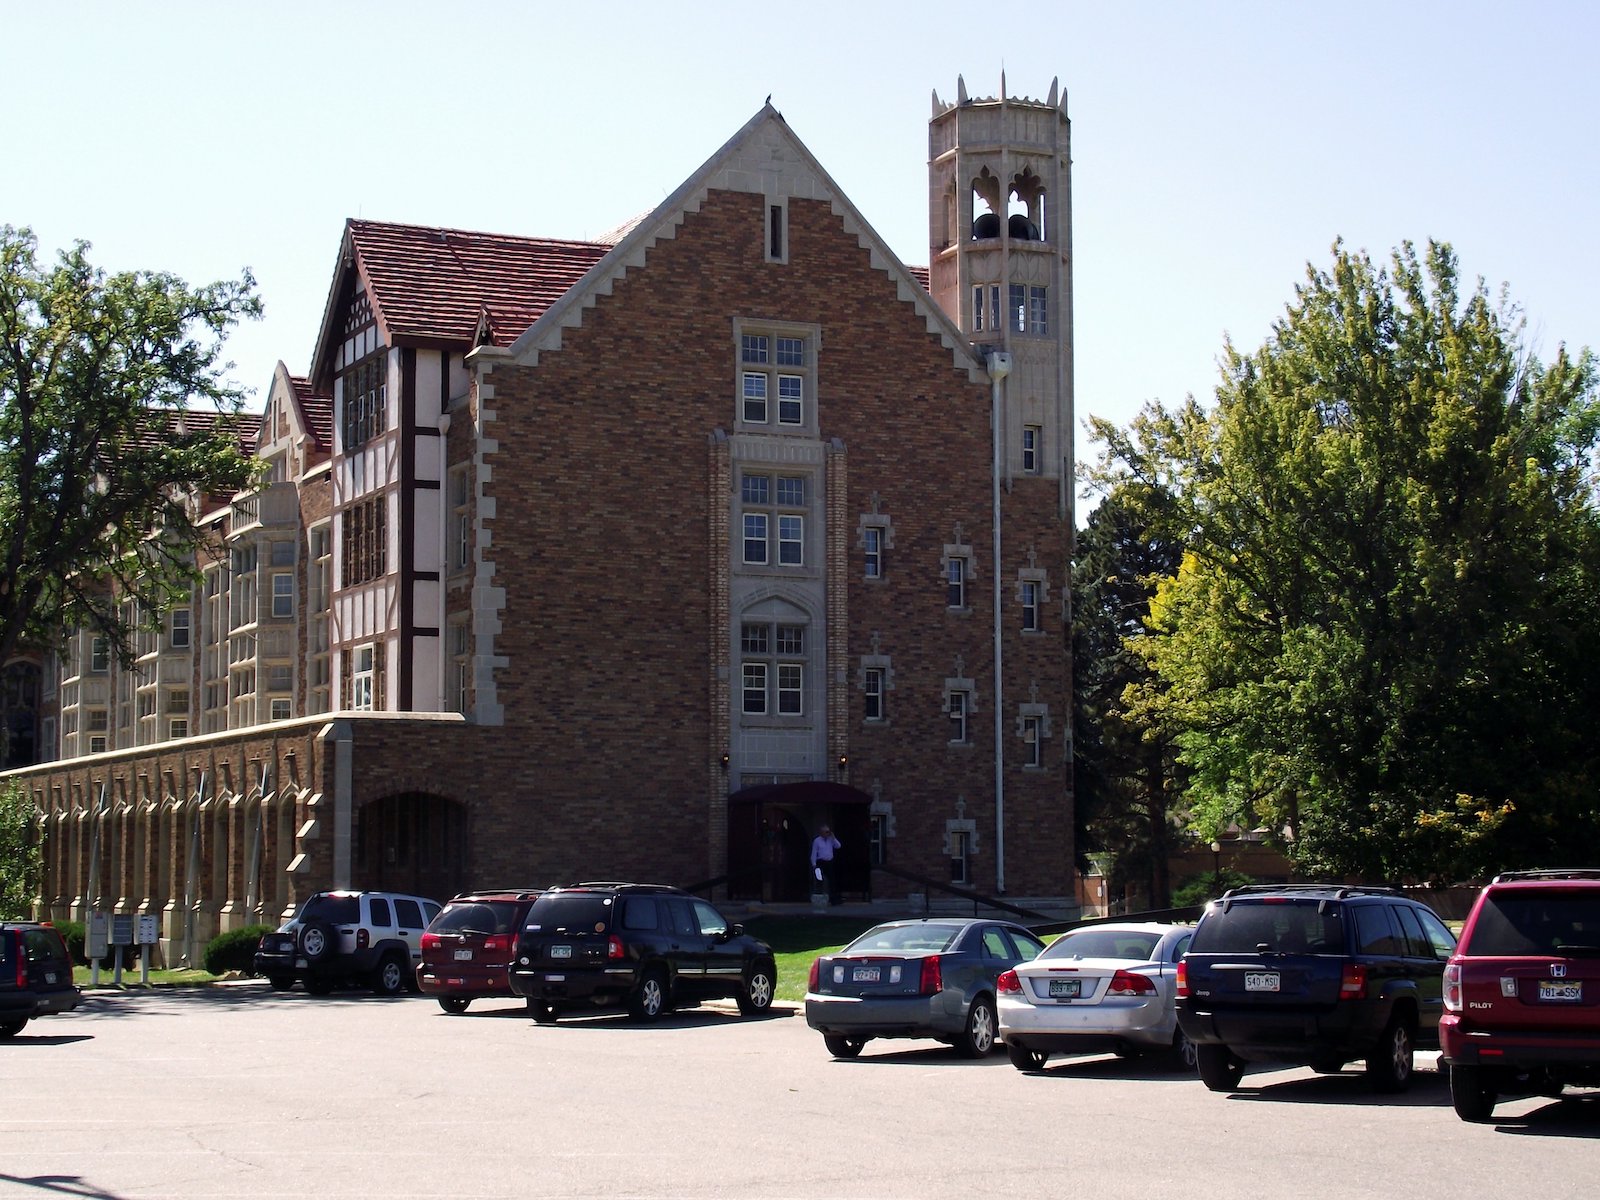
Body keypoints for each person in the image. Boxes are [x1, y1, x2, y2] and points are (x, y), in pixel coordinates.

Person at [810, 824, 842, 905]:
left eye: (828, 832)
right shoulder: (817, 841)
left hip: (829, 862)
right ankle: (819, 898)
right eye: (826, 832)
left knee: (832, 880)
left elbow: (838, 846)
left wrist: (833, 838)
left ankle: (834, 899)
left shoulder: (831, 840)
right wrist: (814, 864)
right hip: (820, 862)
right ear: (822, 833)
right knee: (819, 880)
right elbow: (814, 853)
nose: (828, 834)